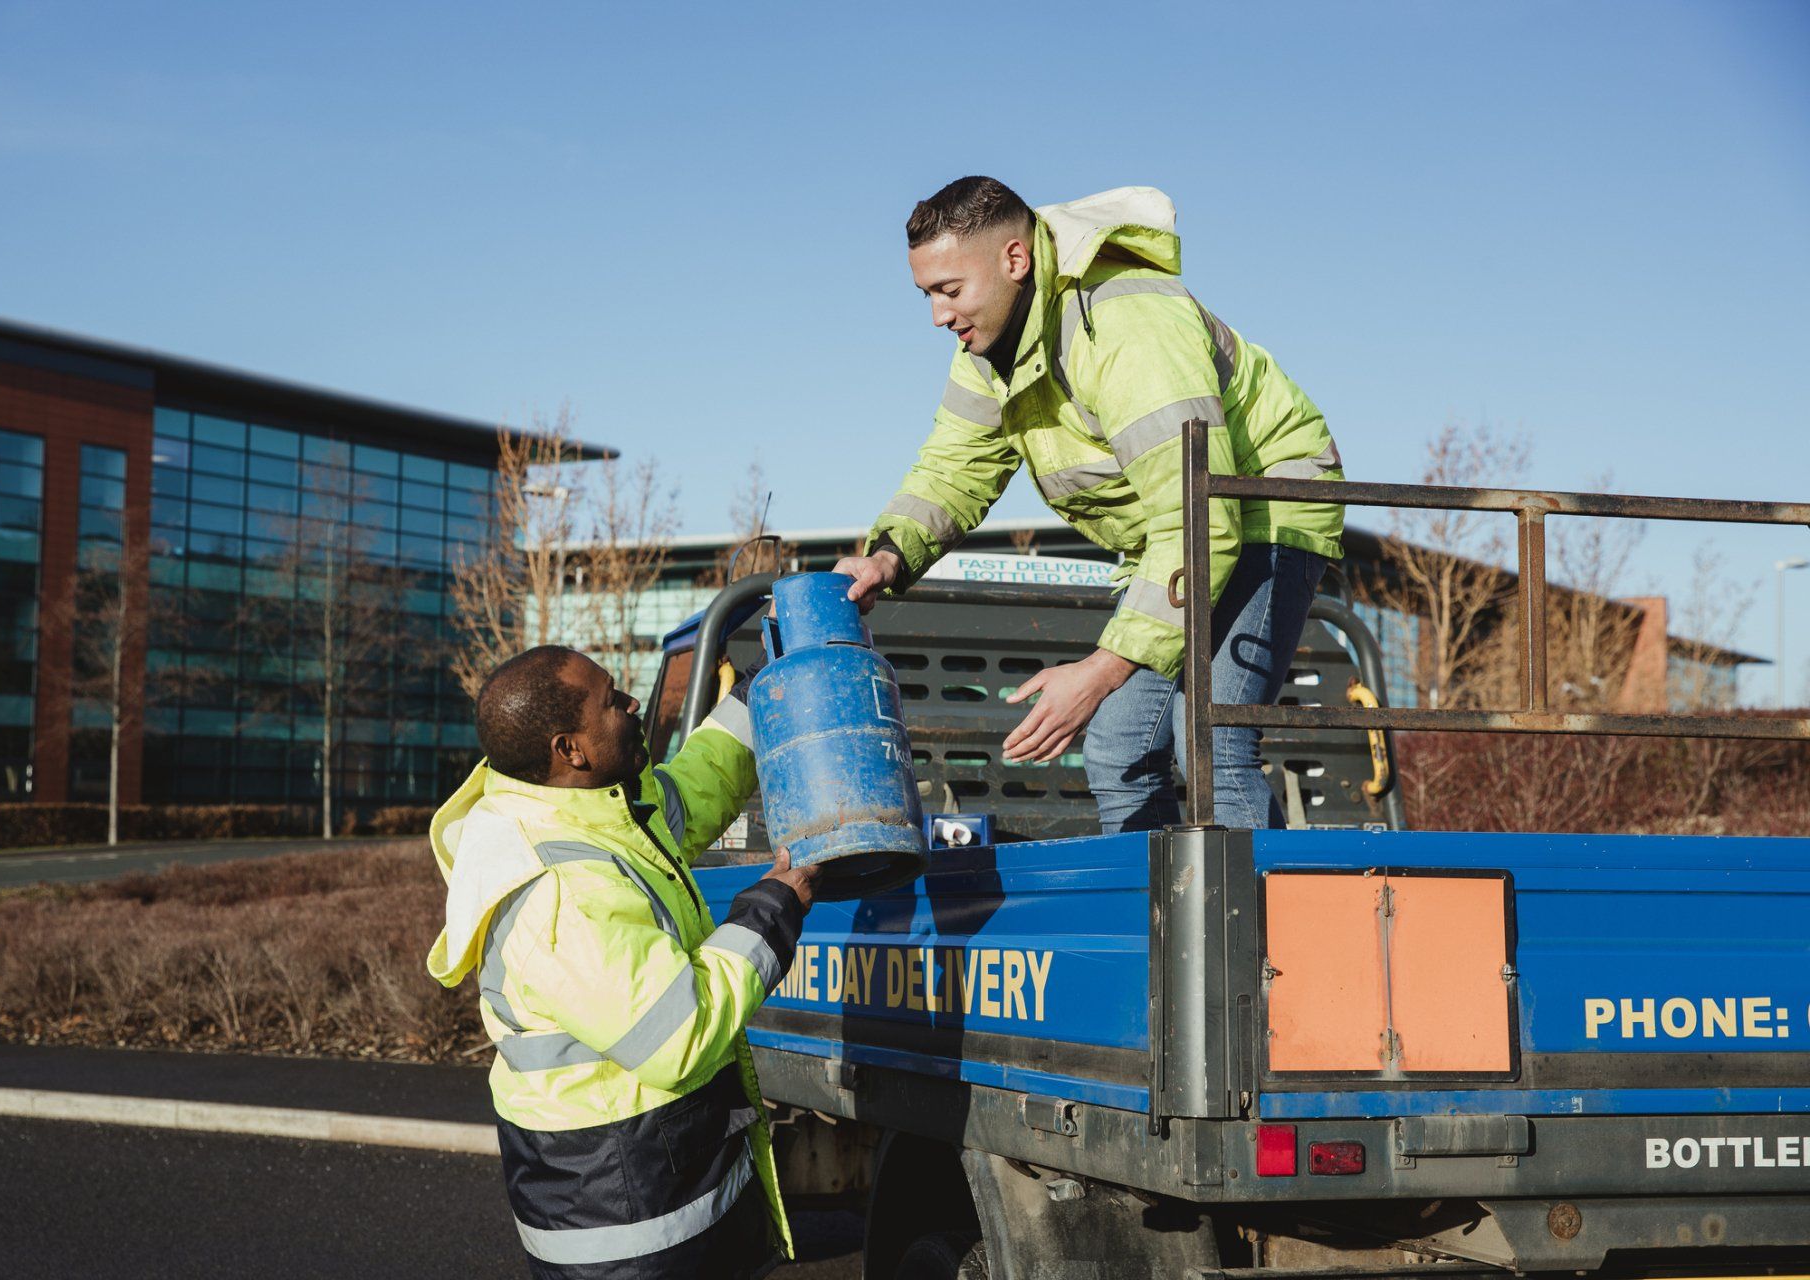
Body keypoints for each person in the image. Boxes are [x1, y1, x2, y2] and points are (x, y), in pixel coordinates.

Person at [835, 177, 1346, 832]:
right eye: (926, 294)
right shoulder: (990, 350)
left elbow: (1201, 522)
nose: (938, 315)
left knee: (1211, 742)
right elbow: (953, 468)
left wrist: (1101, 671)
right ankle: (1161, 926)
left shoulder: (1126, 327)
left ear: (1014, 260)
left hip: (1267, 504)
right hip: (1183, 529)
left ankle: (1252, 934)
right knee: (1118, 751)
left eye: (949, 290)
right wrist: (887, 556)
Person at [426, 645, 819, 1278]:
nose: (633, 703)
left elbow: (693, 787)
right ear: (570, 749)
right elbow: (678, 1032)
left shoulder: (592, 809)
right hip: (624, 1223)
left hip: (647, 1188)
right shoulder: (558, 891)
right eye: (612, 701)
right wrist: (774, 907)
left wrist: (757, 695)